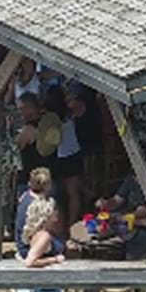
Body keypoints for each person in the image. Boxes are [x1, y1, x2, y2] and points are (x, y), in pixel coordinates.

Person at [20, 196, 68, 292]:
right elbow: (30, 261)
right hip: (48, 286)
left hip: (41, 285)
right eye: (54, 211)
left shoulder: (37, 234)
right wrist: (55, 259)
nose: (57, 214)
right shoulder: (45, 236)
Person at [54, 90, 88, 222]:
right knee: (73, 193)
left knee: (59, 194)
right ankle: (72, 222)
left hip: (60, 157)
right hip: (73, 154)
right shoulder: (70, 113)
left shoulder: (49, 119)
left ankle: (62, 222)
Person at [14, 93, 60, 179]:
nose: (20, 113)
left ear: (29, 108)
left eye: (21, 109)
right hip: (51, 173)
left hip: (34, 178)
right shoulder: (50, 120)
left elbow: (17, 146)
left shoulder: (29, 129)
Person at [13, 167, 53, 247]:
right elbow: (35, 228)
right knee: (60, 246)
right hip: (28, 244)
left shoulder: (24, 196)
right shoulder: (40, 203)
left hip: (21, 242)